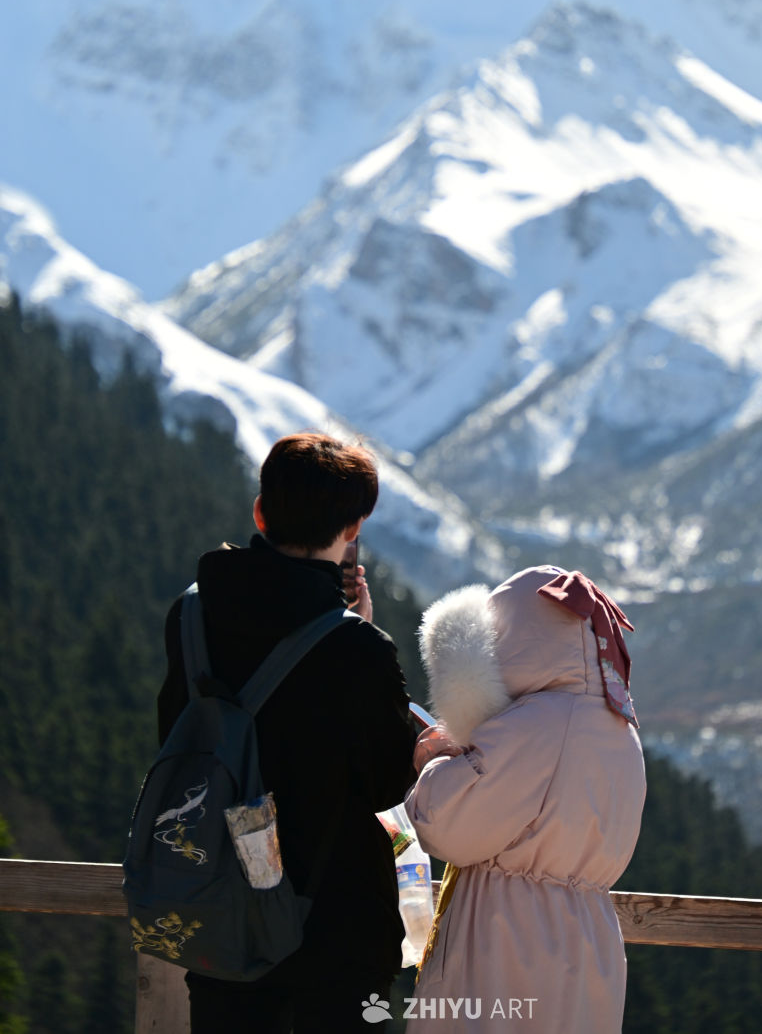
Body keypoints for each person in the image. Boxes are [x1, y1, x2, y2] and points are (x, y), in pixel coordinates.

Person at [157, 431, 418, 1034]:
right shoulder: (358, 647)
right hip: (334, 932)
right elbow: (384, 784)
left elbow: (177, 736)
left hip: (220, 915)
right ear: (353, 529)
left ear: (260, 512)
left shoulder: (191, 615)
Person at [405, 565, 646, 1033]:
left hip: (510, 941)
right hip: (588, 941)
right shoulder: (620, 728)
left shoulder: (537, 723)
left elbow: (445, 825)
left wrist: (433, 762)